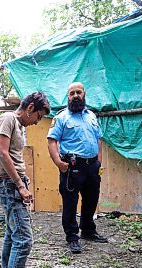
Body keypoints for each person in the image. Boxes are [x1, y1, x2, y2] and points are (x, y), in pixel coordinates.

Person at [0, 92, 50, 268]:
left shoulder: (17, 125)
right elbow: (2, 154)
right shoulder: (7, 119)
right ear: (30, 107)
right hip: (7, 183)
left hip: (12, 182)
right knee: (24, 239)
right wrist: (19, 185)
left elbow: (12, 155)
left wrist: (23, 180)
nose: (36, 122)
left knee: (13, 235)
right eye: (38, 116)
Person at [47, 82, 108, 254]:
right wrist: (59, 163)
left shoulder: (92, 116)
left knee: (91, 199)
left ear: (84, 94)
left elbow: (99, 139)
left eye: (78, 92)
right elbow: (52, 141)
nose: (75, 95)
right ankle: (72, 237)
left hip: (92, 166)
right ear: (68, 96)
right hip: (72, 166)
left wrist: (99, 163)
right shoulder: (61, 118)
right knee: (70, 202)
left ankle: (88, 231)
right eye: (72, 93)